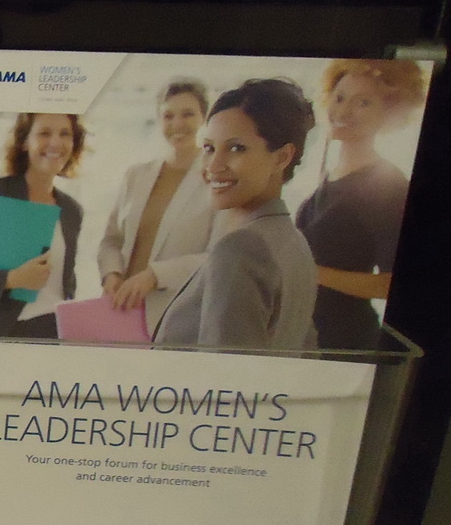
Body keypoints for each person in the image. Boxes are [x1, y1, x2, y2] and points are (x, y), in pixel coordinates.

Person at [154, 78, 318, 349]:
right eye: (209, 148)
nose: (213, 166)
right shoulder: (295, 243)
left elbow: (224, 372)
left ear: (282, 157)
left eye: (236, 148)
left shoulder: (240, 250)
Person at [296, 59, 426, 349]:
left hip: (346, 342)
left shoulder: (388, 186)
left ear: (390, 111)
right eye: (340, 98)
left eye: (363, 102)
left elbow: (391, 284)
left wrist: (311, 273)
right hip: (309, 335)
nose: (343, 111)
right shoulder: (329, 176)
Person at [98, 79, 224, 335]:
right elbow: (111, 241)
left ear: (204, 118)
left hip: (177, 317)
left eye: (187, 114)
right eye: (168, 116)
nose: (177, 124)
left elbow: (217, 258)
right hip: (121, 312)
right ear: (158, 120)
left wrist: (155, 275)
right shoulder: (136, 175)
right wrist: (111, 274)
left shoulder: (216, 180)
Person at [0, 112, 85, 337]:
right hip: (2, 334)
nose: (56, 142)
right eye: (44, 133)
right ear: (24, 142)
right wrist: (10, 279)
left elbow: (66, 282)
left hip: (56, 333)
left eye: (65, 134)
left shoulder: (71, 209)